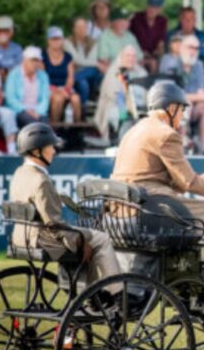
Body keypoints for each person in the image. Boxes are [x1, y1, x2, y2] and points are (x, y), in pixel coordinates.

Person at [111, 81, 204, 300]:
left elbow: (171, 179)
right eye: (181, 109)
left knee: (201, 215)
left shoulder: (135, 130)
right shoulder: (165, 134)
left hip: (123, 210)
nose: (182, 115)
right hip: (148, 208)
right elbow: (188, 183)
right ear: (171, 108)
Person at [9, 123, 121, 298]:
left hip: (21, 236)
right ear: (37, 151)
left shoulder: (19, 173)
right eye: (50, 147)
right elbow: (54, 224)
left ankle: (89, 292)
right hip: (43, 239)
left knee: (88, 238)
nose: (53, 151)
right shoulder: (41, 180)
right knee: (101, 238)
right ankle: (118, 293)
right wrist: (81, 240)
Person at [160, 34, 204, 153]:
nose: (193, 51)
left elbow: (201, 91)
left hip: (193, 108)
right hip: (171, 109)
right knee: (185, 103)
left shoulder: (198, 65)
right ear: (181, 48)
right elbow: (172, 94)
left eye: (196, 48)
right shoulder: (171, 64)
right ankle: (181, 143)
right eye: (190, 47)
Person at [93, 45, 147, 141]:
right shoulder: (114, 71)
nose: (131, 58)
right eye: (128, 56)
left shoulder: (141, 72)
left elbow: (146, 93)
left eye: (133, 56)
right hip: (115, 105)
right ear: (121, 57)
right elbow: (115, 95)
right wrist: (131, 107)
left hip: (138, 106)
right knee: (122, 114)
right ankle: (119, 139)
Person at [43, 27, 81, 123]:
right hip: (48, 87)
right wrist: (56, 90)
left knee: (76, 99)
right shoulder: (42, 56)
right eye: (53, 39)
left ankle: (77, 129)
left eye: (58, 39)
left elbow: (71, 77)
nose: (56, 42)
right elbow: (42, 78)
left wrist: (66, 90)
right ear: (48, 40)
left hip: (64, 87)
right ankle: (55, 127)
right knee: (58, 99)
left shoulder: (68, 56)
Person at [5, 46, 51, 127]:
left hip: (38, 111)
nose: (35, 64)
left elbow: (45, 98)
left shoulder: (43, 76)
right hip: (20, 110)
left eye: (37, 61)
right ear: (24, 61)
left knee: (45, 126)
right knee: (32, 124)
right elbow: (10, 99)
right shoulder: (14, 75)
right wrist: (26, 110)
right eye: (32, 60)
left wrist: (38, 112)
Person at [64, 16, 101, 106]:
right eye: (79, 27)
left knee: (95, 71)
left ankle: (90, 99)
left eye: (84, 27)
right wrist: (96, 64)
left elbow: (92, 60)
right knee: (83, 83)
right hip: (73, 73)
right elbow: (76, 60)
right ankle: (83, 109)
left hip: (89, 74)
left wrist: (94, 63)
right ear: (73, 29)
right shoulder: (67, 42)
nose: (82, 30)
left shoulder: (93, 42)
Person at [130, 0, 168, 73]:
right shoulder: (136, 18)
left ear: (160, 9)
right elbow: (128, 39)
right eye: (150, 6)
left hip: (153, 55)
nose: (152, 10)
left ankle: (155, 83)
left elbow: (161, 43)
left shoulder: (162, 21)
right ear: (146, 6)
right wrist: (140, 53)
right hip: (136, 53)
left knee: (158, 62)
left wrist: (157, 52)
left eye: (156, 7)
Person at [96, 9, 142, 73]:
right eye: (122, 21)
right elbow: (103, 61)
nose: (126, 23)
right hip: (114, 73)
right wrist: (123, 72)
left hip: (133, 70)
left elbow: (139, 58)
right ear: (114, 22)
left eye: (127, 21)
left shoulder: (130, 36)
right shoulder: (105, 37)